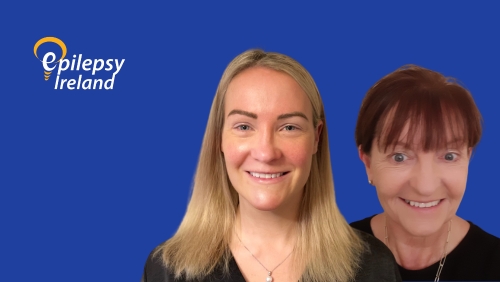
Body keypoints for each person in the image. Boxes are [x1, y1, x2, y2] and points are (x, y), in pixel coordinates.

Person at [141, 49, 401, 282]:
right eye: (244, 126)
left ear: (316, 138)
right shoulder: (167, 269)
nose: (266, 152)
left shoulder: (373, 267)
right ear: (219, 137)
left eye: (289, 127)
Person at [351, 65, 500, 281]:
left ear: (468, 158)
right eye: (400, 157)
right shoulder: (329, 259)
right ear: (367, 162)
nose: (425, 186)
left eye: (449, 156)